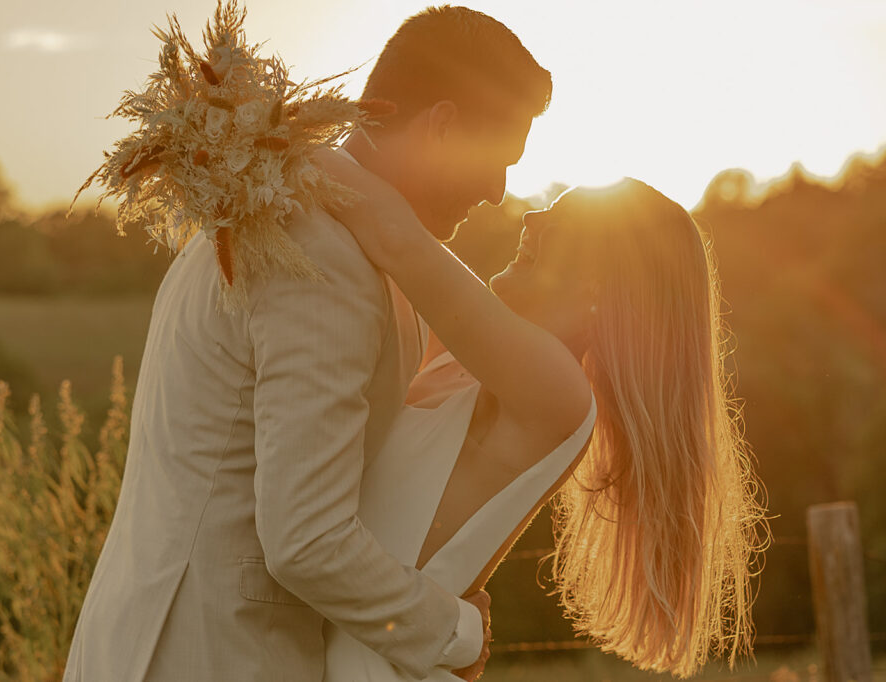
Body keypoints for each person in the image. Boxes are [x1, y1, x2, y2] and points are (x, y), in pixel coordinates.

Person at [62, 6, 551, 682]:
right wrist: (452, 632)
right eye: (498, 160)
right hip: (215, 655)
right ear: (442, 126)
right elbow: (305, 541)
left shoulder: (282, 218)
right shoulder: (320, 257)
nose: (499, 193)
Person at [313, 150, 766, 680]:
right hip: (335, 641)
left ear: (601, 284)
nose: (531, 218)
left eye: (562, 222)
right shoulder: (458, 354)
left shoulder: (558, 391)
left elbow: (396, 238)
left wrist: (272, 132)